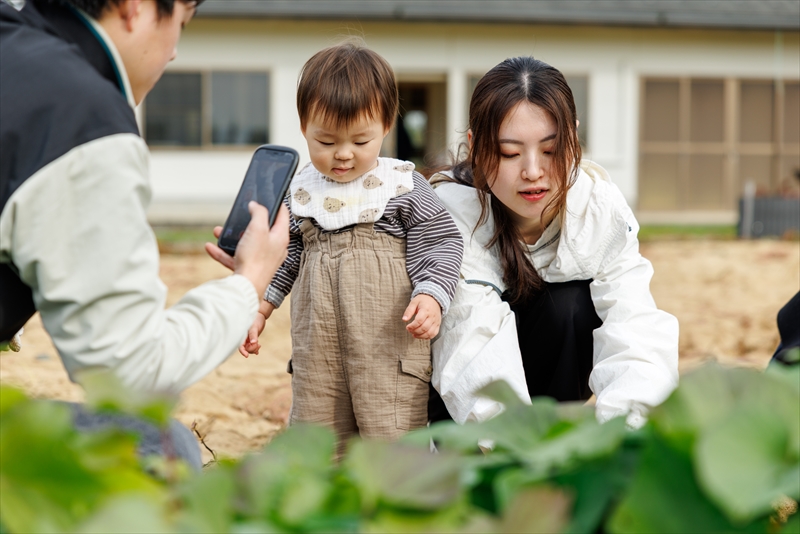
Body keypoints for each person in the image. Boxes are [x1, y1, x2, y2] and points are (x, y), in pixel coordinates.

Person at [0, 0, 289, 467]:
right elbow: (131, 372)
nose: (174, 51)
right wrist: (249, 282)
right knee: (163, 445)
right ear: (136, 7)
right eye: (181, 22)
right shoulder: (80, 119)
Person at [428, 56, 679, 428]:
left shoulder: (598, 210)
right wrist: (512, 444)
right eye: (510, 153)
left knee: (571, 304)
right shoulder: (453, 214)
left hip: (552, 389)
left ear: (573, 138)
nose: (533, 172)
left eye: (549, 150)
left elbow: (634, 327)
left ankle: (559, 428)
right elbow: (470, 341)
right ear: (477, 147)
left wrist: (627, 436)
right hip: (456, 404)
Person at [242, 41, 464, 454]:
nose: (343, 154)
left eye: (360, 141)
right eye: (325, 141)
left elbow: (440, 241)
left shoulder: (401, 185)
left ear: (385, 125)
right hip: (318, 352)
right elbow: (286, 256)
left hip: (389, 347)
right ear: (303, 126)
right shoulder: (299, 192)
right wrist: (260, 307)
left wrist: (431, 295)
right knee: (319, 442)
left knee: (393, 437)